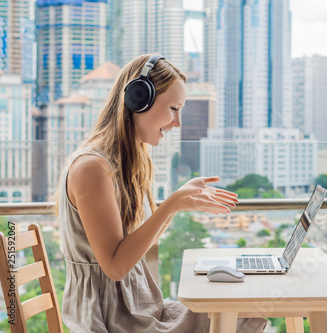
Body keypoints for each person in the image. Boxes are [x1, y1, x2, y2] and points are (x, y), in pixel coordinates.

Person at [52, 54, 267, 332]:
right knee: (238, 317)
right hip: (112, 318)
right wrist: (172, 204)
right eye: (174, 108)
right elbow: (116, 268)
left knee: (242, 309)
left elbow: (133, 243)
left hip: (140, 308)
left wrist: (177, 203)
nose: (177, 122)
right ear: (138, 99)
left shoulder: (126, 160)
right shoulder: (92, 169)